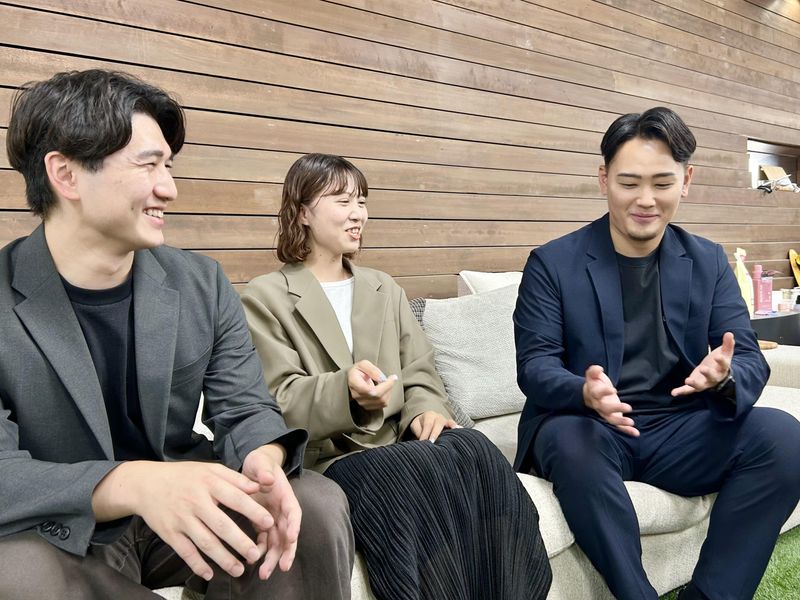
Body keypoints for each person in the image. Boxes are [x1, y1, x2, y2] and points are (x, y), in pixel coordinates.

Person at [0, 70, 354, 599]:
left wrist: (264, 459)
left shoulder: (201, 283)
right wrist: (134, 483)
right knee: (16, 571)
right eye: (148, 165)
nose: (169, 188)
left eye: (168, 166)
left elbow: (245, 408)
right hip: (66, 525)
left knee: (312, 505)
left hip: (186, 500)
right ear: (66, 175)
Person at [513, 106, 800, 600]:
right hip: (591, 426)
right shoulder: (552, 263)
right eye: (629, 183)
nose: (645, 199)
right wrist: (583, 391)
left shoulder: (707, 260)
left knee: (784, 437)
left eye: (662, 183)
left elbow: (748, 356)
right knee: (570, 441)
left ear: (686, 181)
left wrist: (723, 378)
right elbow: (534, 366)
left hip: (680, 427)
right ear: (603, 179)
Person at [242, 153, 552, 600]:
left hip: (396, 441)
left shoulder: (383, 287)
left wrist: (426, 410)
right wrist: (346, 392)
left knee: (473, 448)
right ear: (303, 212)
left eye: (362, 201)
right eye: (343, 201)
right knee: (400, 474)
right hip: (332, 456)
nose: (358, 214)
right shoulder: (265, 297)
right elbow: (278, 397)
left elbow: (419, 369)